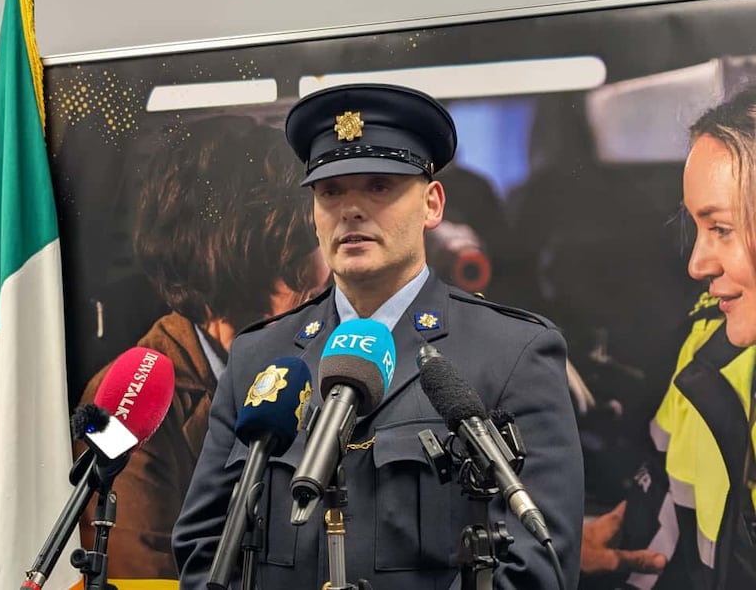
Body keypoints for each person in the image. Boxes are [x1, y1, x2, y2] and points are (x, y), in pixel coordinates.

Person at [173, 84, 584, 589]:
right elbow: (204, 548)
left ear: (432, 204)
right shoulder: (260, 357)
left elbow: (537, 563)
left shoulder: (510, 354)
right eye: (330, 191)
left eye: (379, 186)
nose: (351, 209)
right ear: (313, 214)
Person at [77, 115, 329, 581]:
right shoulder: (123, 404)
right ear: (235, 258)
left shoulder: (332, 365)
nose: (323, 270)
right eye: (300, 243)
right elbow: (139, 577)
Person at [580, 87, 756, 589]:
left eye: (721, 228)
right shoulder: (707, 350)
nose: (697, 264)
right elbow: (658, 527)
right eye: (696, 227)